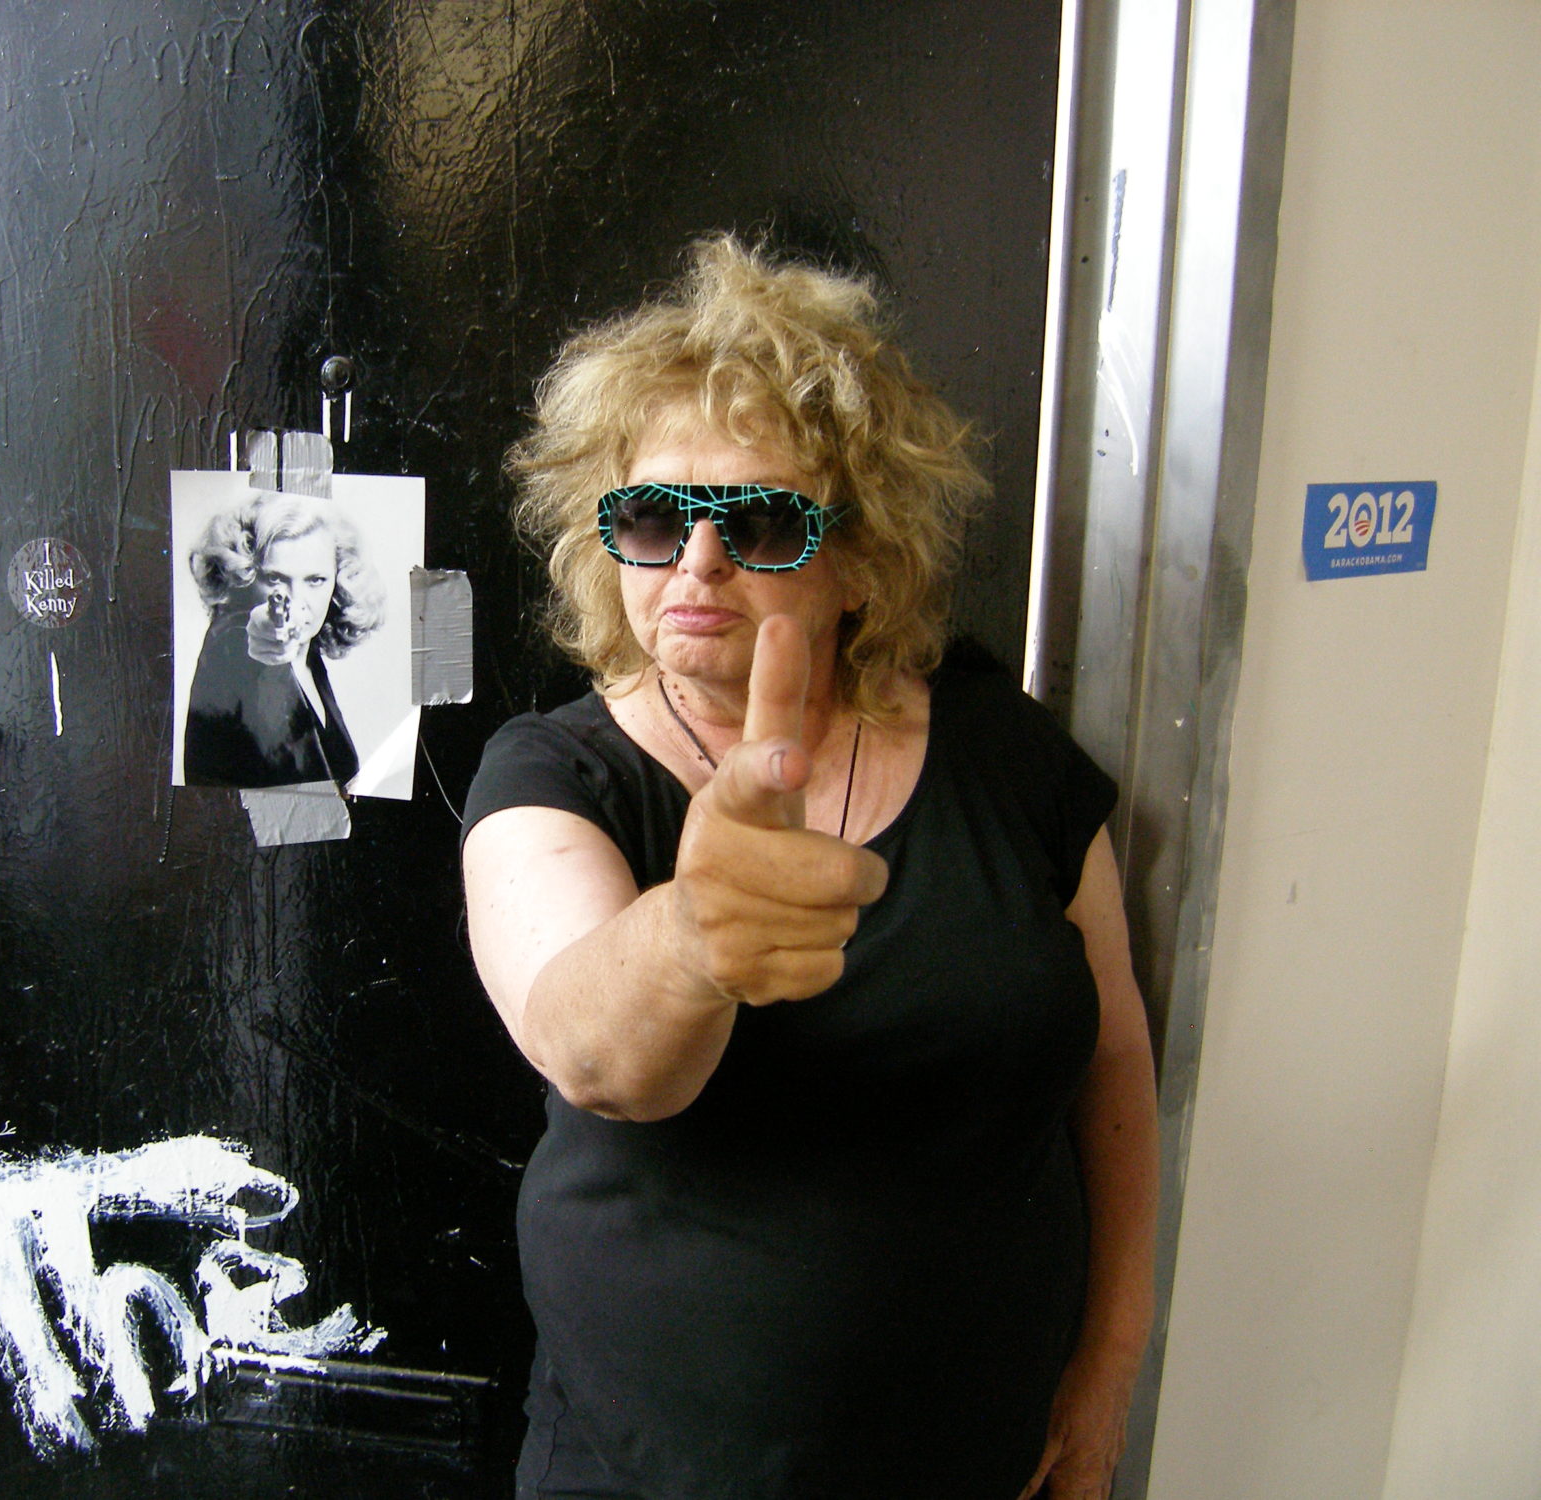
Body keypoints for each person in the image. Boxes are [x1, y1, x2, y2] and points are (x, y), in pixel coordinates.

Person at [461, 238, 1158, 1499]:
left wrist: (1107, 1370)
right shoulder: (552, 778)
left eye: (765, 520)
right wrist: (693, 938)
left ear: (862, 560)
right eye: (653, 516)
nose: (698, 564)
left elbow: (1109, 1060)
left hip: (986, 1461)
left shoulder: (1006, 755)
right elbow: (596, 1057)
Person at [182, 491, 383, 788]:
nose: (297, 600)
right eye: (275, 579)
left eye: (315, 580)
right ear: (247, 578)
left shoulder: (309, 654)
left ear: (336, 583)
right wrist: (267, 629)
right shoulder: (233, 641)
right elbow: (251, 633)